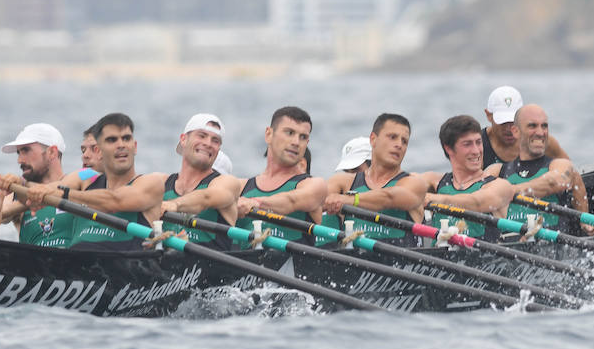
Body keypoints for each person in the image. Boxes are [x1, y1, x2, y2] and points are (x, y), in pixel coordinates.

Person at [23, 113, 166, 250]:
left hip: (124, 268)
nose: (121, 145)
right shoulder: (86, 177)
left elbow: (115, 201)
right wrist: (19, 183)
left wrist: (62, 194)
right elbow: (54, 187)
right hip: (75, 265)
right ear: (99, 150)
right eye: (112, 140)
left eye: (126, 138)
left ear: (134, 146)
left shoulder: (150, 182)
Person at [322, 113, 429, 246]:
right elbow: (314, 202)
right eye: (392, 137)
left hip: (403, 265)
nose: (399, 145)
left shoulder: (414, 183)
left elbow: (389, 197)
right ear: (373, 139)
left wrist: (348, 200)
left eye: (404, 141)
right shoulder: (343, 182)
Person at [495, 104, 594, 235]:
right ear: (515, 131)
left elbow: (555, 182)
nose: (541, 133)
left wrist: (510, 191)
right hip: (507, 247)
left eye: (544, 126)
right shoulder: (497, 171)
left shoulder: (560, 165)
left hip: (552, 247)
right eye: (532, 126)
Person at [234, 106, 327, 245]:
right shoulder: (240, 186)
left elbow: (291, 201)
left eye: (303, 137)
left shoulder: (314, 185)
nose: (296, 142)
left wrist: (255, 203)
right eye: (289, 133)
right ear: (268, 135)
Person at [419, 115, 515, 241]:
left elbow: (477, 202)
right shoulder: (435, 181)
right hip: (441, 257)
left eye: (478, 142)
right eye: (467, 144)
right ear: (449, 148)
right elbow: (399, 185)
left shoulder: (500, 186)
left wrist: (432, 199)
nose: (476, 151)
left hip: (488, 259)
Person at [159, 113, 240, 250]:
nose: (208, 143)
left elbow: (206, 197)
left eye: (215, 140)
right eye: (201, 136)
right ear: (183, 139)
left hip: (210, 267)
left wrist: (175, 205)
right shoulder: (161, 182)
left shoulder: (227, 183)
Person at [0, 123, 72, 247]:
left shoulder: (80, 189)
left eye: (26, 150)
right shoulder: (18, 193)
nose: (19, 160)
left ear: (52, 152)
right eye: (18, 153)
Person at [481, 85, 568, 168]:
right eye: (503, 122)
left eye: (513, 121)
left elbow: (571, 172)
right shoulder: (477, 146)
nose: (509, 129)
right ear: (489, 115)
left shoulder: (545, 142)